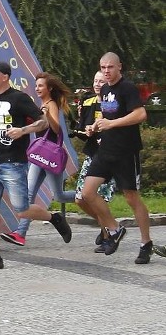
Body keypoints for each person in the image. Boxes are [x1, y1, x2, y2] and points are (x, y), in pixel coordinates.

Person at [0, 61, 72, 271]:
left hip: (13, 163)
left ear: (5, 77)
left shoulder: (19, 98)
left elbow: (44, 122)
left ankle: (54, 218)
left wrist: (23, 130)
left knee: (22, 210)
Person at [80, 52, 154, 264]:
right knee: (87, 193)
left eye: (110, 67)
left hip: (125, 151)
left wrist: (112, 124)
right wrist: (95, 126)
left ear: (119, 67)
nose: (106, 71)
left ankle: (145, 243)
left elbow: (140, 115)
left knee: (131, 197)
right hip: (105, 150)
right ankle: (114, 228)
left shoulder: (128, 88)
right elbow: (106, 114)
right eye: (103, 67)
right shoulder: (104, 89)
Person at [0, 72, 76, 246]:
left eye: (41, 86)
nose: (37, 88)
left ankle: (86, 196)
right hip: (38, 156)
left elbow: (56, 129)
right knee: (29, 194)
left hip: (50, 156)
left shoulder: (51, 105)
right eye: (36, 86)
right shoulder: (41, 104)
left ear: (49, 88)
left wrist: (47, 115)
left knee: (60, 195)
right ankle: (20, 234)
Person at [70, 71, 116, 249]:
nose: (97, 84)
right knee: (80, 199)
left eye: (101, 81)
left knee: (100, 198)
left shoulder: (112, 103)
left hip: (109, 156)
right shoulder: (88, 101)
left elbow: (117, 124)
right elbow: (82, 130)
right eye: (95, 81)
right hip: (92, 154)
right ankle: (108, 226)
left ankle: (108, 235)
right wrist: (86, 131)